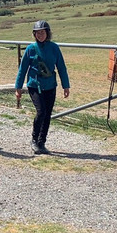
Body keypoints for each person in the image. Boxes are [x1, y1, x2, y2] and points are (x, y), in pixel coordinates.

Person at [14, 20, 70, 154]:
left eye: (42, 32)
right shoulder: (30, 49)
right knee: (41, 112)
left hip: (50, 85)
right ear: (34, 34)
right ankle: (34, 140)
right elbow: (22, 70)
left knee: (47, 114)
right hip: (35, 85)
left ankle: (41, 142)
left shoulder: (54, 48)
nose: (40, 35)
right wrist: (18, 88)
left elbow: (61, 67)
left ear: (47, 33)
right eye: (37, 33)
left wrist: (66, 86)